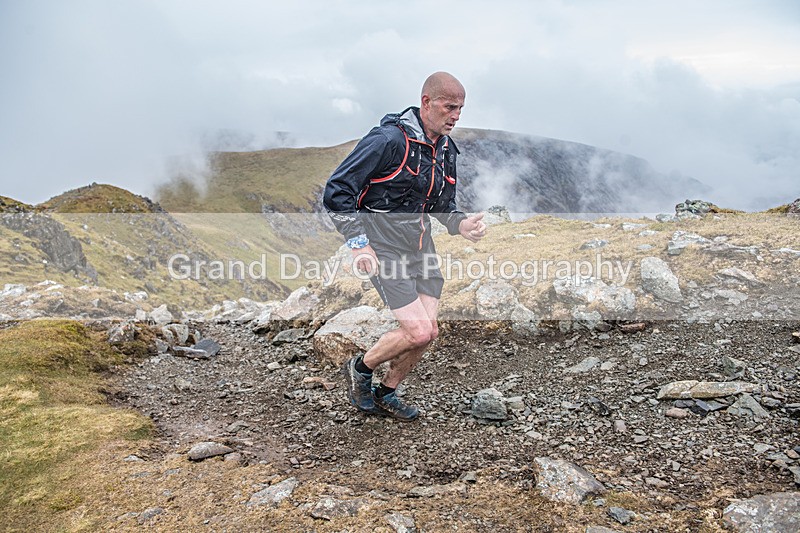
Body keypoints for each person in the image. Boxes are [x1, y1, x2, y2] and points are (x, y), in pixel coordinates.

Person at [323, 72, 486, 421]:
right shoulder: (387, 141)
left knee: (429, 333)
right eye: (449, 107)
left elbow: (442, 203)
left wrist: (461, 224)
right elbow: (337, 190)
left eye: (461, 108)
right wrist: (357, 244)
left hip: (421, 246)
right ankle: (360, 368)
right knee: (418, 330)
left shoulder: (446, 149)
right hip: (383, 247)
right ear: (427, 102)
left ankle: (386, 392)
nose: (456, 115)